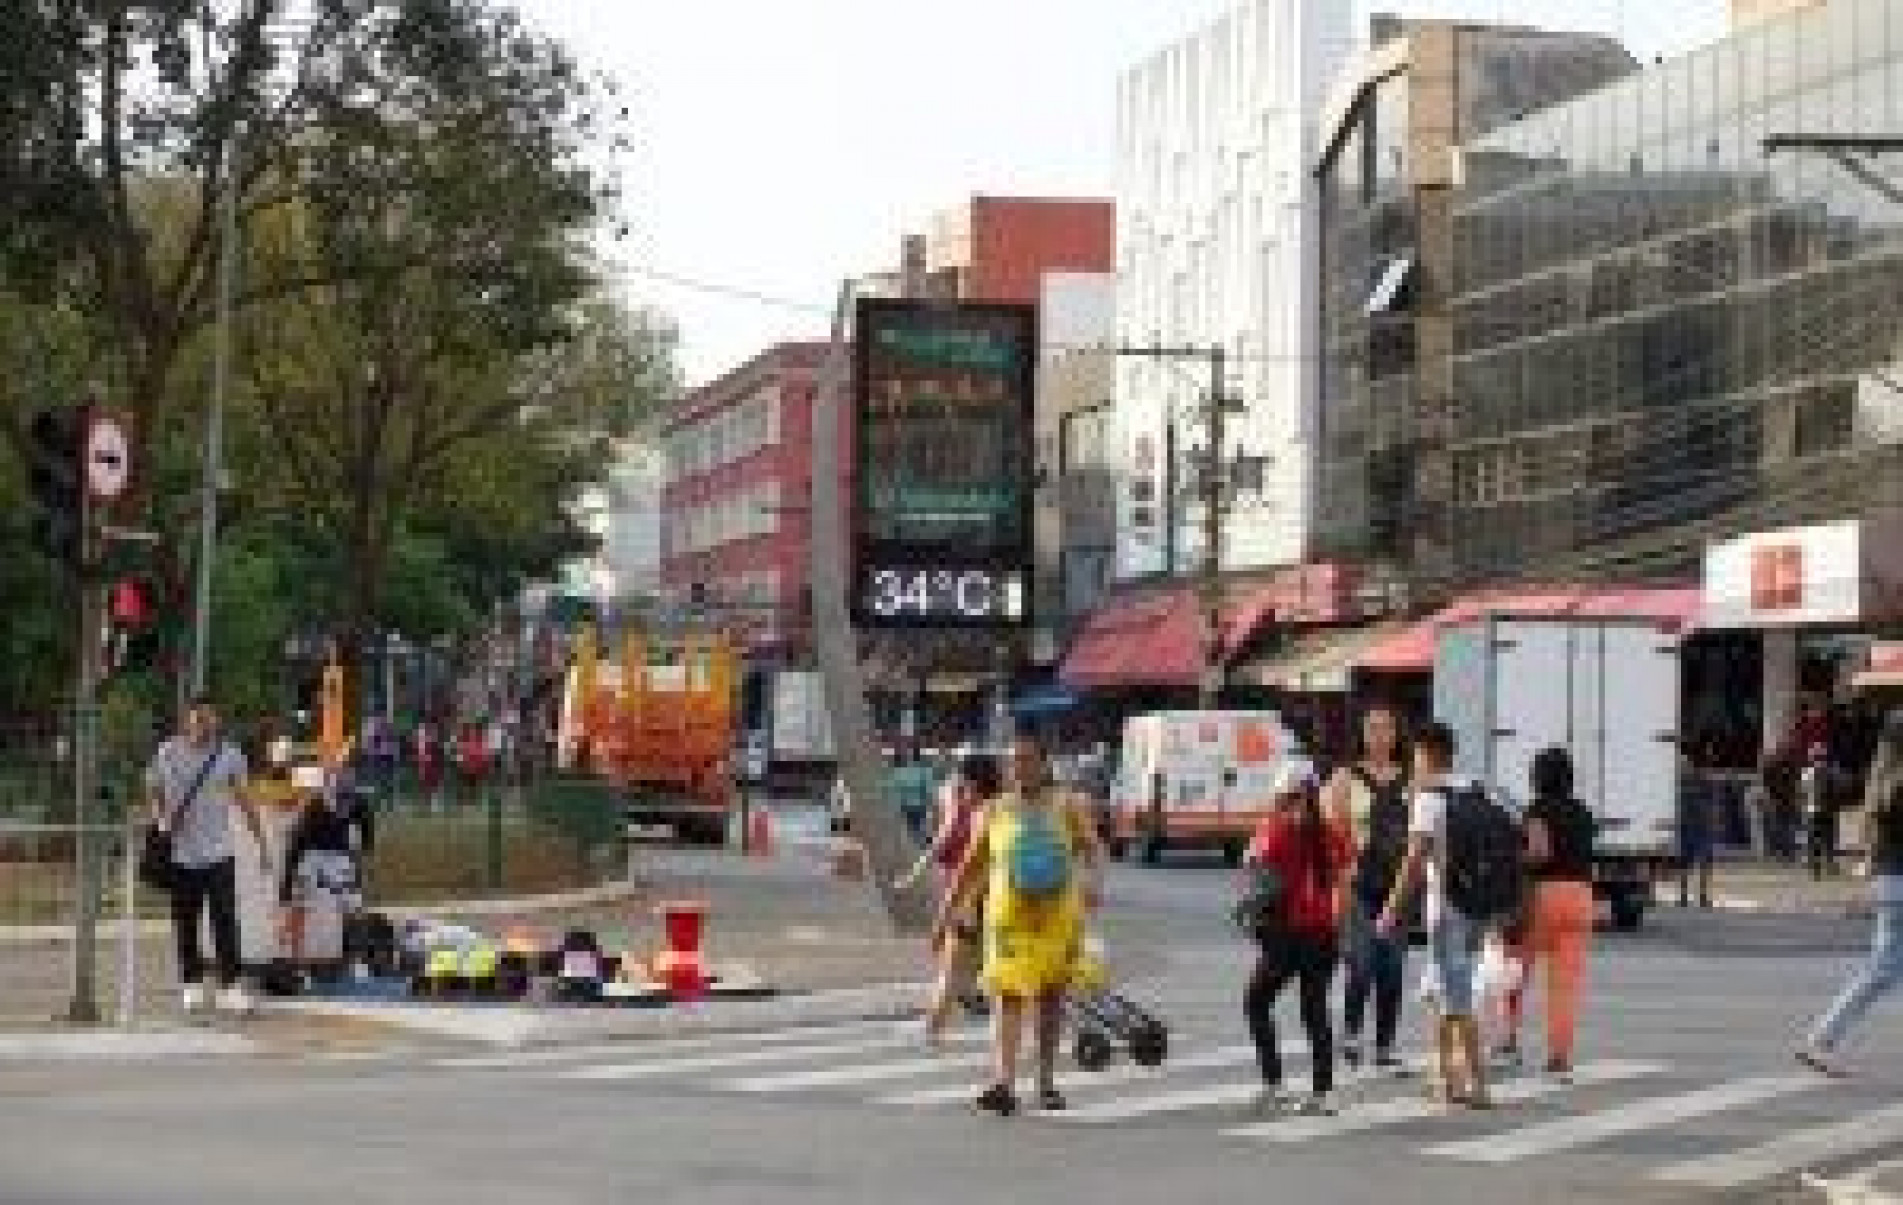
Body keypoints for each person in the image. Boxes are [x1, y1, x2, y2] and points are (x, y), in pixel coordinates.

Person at [933, 731, 1104, 1117]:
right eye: (1013, 761)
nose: (1019, 767)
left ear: (1045, 764)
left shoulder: (1068, 805)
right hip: (1008, 919)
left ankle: (1045, 1082)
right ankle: (1003, 1082)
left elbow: (1094, 849)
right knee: (1007, 996)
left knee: (1050, 999)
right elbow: (968, 868)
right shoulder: (992, 811)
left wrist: (1094, 884)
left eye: (1027, 759)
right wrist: (944, 917)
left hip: (1057, 918)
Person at [1378, 720, 1491, 1108]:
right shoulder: (1475, 789)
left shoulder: (1429, 799)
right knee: (1444, 992)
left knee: (1456, 998)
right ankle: (1447, 1078)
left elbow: (1414, 859)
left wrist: (1391, 908)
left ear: (1425, 754)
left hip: (1446, 910)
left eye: (1415, 756)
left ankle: (1478, 1084)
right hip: (1477, 907)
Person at [144, 699, 270, 1014]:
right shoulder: (167, 752)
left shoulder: (229, 756)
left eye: (209, 719)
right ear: (186, 721)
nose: (203, 724)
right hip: (181, 854)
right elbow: (152, 788)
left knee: (226, 920)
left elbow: (244, 800)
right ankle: (191, 984)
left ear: (216, 721)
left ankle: (230, 986)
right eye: (197, 719)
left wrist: (261, 842)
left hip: (219, 852)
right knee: (185, 922)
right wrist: (161, 819)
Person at [1243, 759, 1355, 1116]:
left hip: (1287, 933)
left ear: (1286, 795)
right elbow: (1349, 867)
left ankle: (1274, 1084)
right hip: (1323, 933)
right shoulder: (1330, 832)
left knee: (1256, 1001)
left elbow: (1254, 867)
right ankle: (1324, 1092)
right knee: (1315, 1011)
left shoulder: (1274, 831)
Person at [1798, 709, 1903, 1077]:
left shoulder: (1882, 782)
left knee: (1881, 971)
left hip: (1891, 881)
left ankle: (1822, 1040)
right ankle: (1821, 1040)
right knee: (1881, 970)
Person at [1496, 746, 1597, 1080]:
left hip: (1541, 898)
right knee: (1565, 986)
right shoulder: (1584, 812)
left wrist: (1513, 858)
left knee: (1512, 968)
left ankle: (1507, 1039)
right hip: (1580, 898)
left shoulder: (1536, 810)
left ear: (1539, 776)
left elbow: (1539, 852)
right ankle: (1559, 1056)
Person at [1323, 703, 1412, 1073]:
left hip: (1398, 885)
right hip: (1357, 883)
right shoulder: (1345, 778)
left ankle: (1386, 1045)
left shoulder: (1410, 778)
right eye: (1372, 728)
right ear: (1362, 734)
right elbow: (1333, 829)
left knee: (1392, 968)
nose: (1379, 735)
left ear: (1395, 734)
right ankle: (1352, 1034)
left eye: (1386, 727)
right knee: (1360, 964)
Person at [896, 753, 1001, 1044]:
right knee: (981, 968)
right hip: (998, 903)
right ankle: (942, 1025)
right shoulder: (1001, 809)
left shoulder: (982, 815)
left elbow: (968, 871)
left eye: (960, 777)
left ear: (972, 782)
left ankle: (933, 1029)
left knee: (954, 967)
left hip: (977, 902)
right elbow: (940, 847)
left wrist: (942, 921)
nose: (955, 782)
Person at [279, 767, 377, 974]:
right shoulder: (312, 808)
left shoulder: (359, 803)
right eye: (338, 800)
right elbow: (295, 847)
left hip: (341, 856)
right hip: (311, 854)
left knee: (355, 906)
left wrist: (362, 869)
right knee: (299, 905)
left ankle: (357, 959)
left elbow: (368, 837)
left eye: (346, 799)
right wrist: (286, 887)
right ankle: (297, 963)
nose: (343, 805)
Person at [1677, 746, 1719, 908]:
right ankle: (1684, 895)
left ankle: (1702, 895)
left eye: (1686, 764)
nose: (1684, 767)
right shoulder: (1678, 784)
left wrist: (1712, 821)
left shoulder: (1702, 781)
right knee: (1685, 863)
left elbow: (1712, 805)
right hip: (1686, 826)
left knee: (1704, 862)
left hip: (1700, 826)